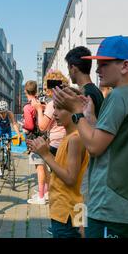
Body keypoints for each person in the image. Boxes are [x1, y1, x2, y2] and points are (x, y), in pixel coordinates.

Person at [53, 36, 128, 238]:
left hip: (110, 207)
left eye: (104, 64)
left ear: (124, 66)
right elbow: (110, 139)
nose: (97, 70)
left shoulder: (118, 96)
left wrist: (77, 112)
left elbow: (95, 146)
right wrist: (91, 118)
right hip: (125, 205)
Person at [28, 87, 89, 238]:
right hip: (73, 207)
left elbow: (70, 178)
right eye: (55, 107)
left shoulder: (75, 139)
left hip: (66, 212)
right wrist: (45, 149)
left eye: (60, 108)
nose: (54, 113)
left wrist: (45, 154)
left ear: (74, 109)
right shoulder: (70, 136)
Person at [29, 71, 69, 205]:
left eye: (47, 88)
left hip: (56, 144)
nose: (45, 91)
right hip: (68, 141)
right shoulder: (67, 98)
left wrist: (39, 110)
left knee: (53, 174)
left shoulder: (53, 103)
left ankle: (54, 199)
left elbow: (42, 126)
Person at [65, 46, 104, 117]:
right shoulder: (95, 90)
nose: (68, 74)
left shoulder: (86, 94)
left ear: (73, 68)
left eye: (69, 69)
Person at [0, 101, 20, 176]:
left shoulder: (10, 113)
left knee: (8, 145)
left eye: (4, 112)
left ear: (6, 111)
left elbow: (14, 124)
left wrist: (18, 134)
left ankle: (8, 159)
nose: (2, 114)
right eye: (1, 113)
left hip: (7, 130)